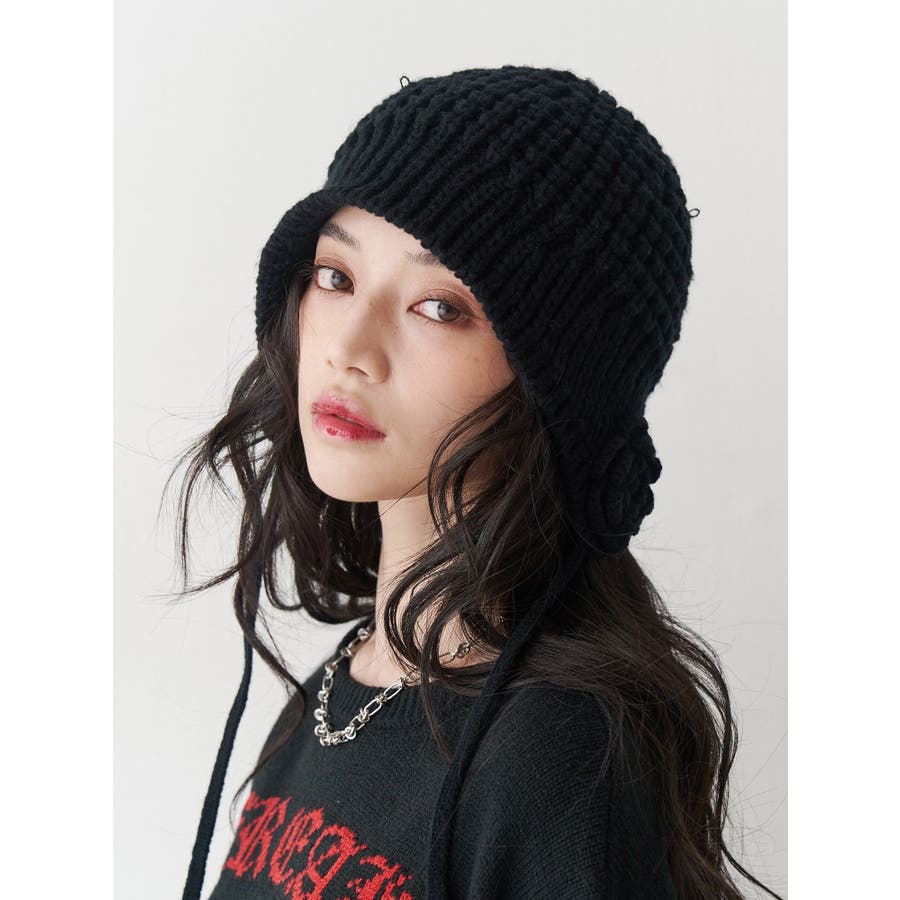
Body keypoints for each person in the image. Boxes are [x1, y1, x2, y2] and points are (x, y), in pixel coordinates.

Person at [168, 65, 783, 899]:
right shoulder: (334, 695)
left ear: (552, 381)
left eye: (440, 307)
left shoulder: (556, 761)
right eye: (336, 277)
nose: (350, 348)